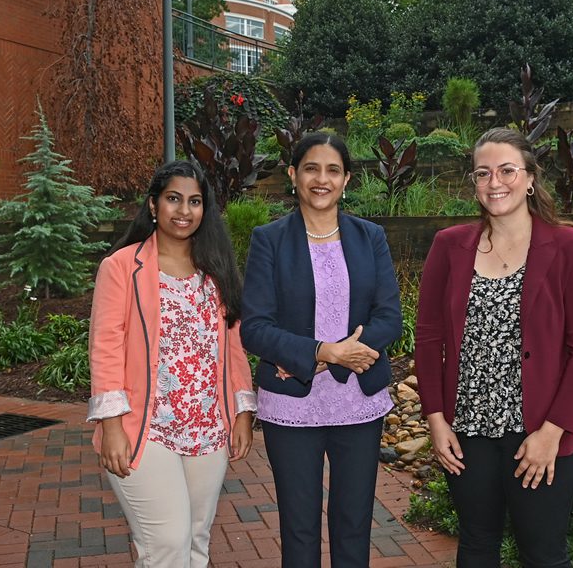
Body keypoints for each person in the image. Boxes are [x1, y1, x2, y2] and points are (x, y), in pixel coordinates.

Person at [415, 128, 573, 567]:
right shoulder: (449, 246)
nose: (495, 182)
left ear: (531, 178)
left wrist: (554, 432)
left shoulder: (570, 247)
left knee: (542, 554)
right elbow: (428, 340)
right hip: (468, 430)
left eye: (506, 170)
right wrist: (436, 420)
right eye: (483, 173)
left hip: (538, 432)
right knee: (477, 546)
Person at [240, 132, 402, 567]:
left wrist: (352, 355)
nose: (321, 179)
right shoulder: (269, 240)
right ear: (294, 175)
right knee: (299, 527)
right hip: (292, 406)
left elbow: (389, 317)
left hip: (358, 404)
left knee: (353, 525)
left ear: (346, 179)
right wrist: (323, 353)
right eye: (311, 168)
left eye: (333, 170)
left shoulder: (370, 237)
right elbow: (254, 327)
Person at [87, 160, 256, 568]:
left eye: (195, 202)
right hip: (147, 428)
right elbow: (106, 347)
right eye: (173, 199)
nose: (184, 211)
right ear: (153, 205)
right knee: (166, 543)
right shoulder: (122, 267)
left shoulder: (215, 270)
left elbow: (232, 347)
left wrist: (242, 411)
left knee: (196, 541)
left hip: (207, 427)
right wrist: (111, 426)